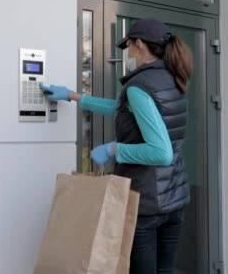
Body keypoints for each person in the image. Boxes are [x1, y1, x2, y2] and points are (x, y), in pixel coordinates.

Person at [40, 18, 193, 274]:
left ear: (140, 44)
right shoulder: (172, 78)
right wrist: (73, 96)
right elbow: (124, 110)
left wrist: (113, 149)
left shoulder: (140, 86)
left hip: (145, 203)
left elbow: (160, 152)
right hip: (174, 197)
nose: (128, 53)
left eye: (129, 46)